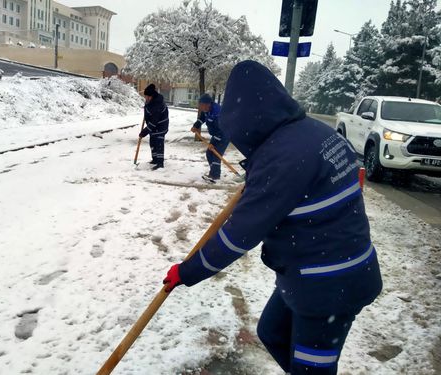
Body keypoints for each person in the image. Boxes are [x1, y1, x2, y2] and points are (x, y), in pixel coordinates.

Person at [162, 61, 382, 374]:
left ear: (250, 119)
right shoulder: (312, 132)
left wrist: (188, 271)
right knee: (272, 332)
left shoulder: (283, 158)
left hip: (329, 285)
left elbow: (238, 235)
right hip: (313, 272)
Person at [191, 93, 229, 183]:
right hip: (216, 134)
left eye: (201, 105)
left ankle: (215, 176)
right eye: (199, 105)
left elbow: (221, 130)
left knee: (216, 154)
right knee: (209, 153)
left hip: (224, 135)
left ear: (207, 104)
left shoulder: (217, 113)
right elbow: (202, 118)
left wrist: (213, 143)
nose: (200, 107)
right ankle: (213, 173)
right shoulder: (206, 110)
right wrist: (196, 126)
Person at [140, 84, 169, 170]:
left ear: (151, 96)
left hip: (160, 126)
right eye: (145, 96)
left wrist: (145, 132)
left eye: (147, 97)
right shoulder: (150, 101)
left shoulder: (158, 104)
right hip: (154, 127)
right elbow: (149, 113)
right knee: (152, 142)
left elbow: (154, 121)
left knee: (159, 144)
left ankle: (160, 163)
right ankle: (155, 159)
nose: (146, 98)